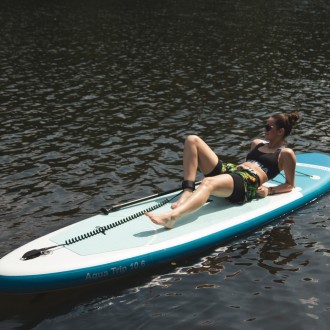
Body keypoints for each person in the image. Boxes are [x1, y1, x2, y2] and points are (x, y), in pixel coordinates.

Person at [145, 112, 300, 229]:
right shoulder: (257, 143)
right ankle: (187, 190)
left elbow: (289, 185)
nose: (264, 130)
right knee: (192, 139)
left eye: (268, 127)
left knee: (207, 182)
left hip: (247, 182)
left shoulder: (286, 154)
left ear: (280, 131)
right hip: (233, 171)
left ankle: (172, 217)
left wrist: (270, 191)